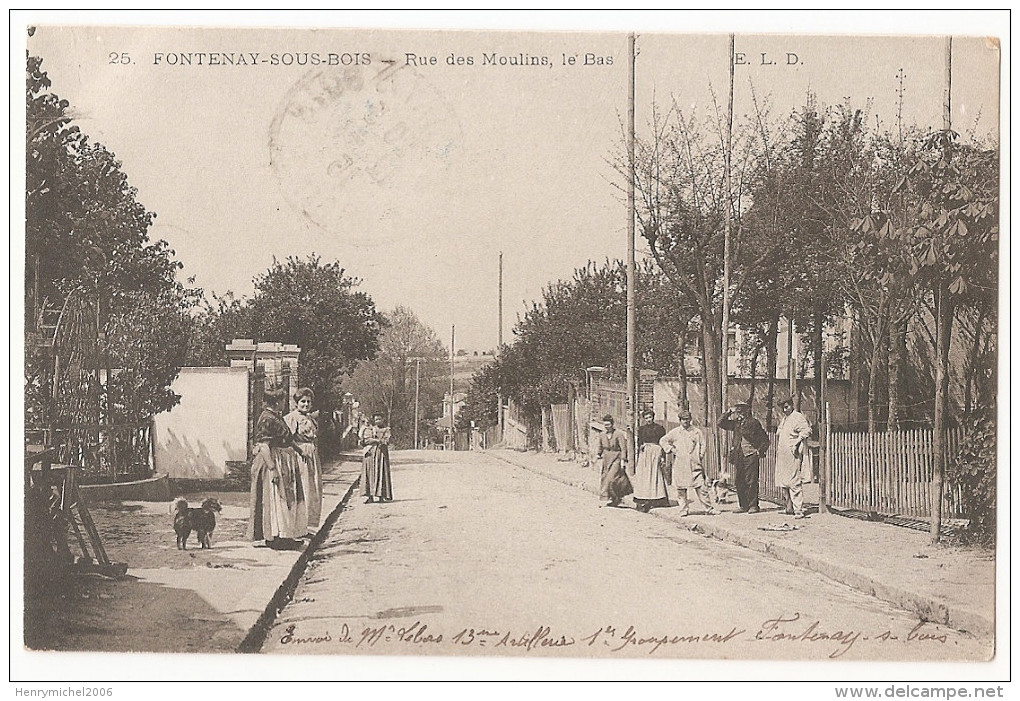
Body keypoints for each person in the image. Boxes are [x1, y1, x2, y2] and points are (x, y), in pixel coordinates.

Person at [248, 385, 308, 548]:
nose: (284, 403)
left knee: (285, 498)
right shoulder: (267, 418)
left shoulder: (275, 416)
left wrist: (299, 450)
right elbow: (264, 445)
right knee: (276, 499)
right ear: (276, 402)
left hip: (283, 460)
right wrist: (272, 469)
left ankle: (284, 534)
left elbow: (287, 438)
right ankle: (276, 537)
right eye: (282, 400)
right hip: (273, 461)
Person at [660, 407, 715, 516]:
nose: (686, 421)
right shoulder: (675, 432)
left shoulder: (696, 432)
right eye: (683, 419)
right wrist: (672, 449)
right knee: (681, 489)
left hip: (694, 463)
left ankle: (709, 508)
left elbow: (703, 444)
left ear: (690, 419)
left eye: (687, 419)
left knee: (701, 487)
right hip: (681, 463)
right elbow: (663, 440)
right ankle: (683, 509)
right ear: (679, 420)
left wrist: (700, 456)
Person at [718, 403, 770, 514]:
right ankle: (743, 505)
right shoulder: (736, 424)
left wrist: (759, 451)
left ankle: (753, 506)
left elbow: (765, 439)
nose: (738, 415)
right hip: (738, 455)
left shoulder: (754, 423)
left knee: (751, 481)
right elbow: (720, 423)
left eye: (740, 412)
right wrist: (729, 412)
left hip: (750, 455)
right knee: (739, 481)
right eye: (737, 412)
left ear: (746, 412)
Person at [286, 387, 323, 533]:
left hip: (312, 456)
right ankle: (299, 526)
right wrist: (300, 452)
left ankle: (307, 525)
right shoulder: (292, 418)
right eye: (303, 402)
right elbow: (288, 439)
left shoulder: (311, 419)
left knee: (313, 488)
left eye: (308, 402)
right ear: (297, 403)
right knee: (303, 488)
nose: (306, 405)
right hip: (300, 456)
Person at [775, 398, 813, 519]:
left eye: (786, 407)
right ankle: (789, 506)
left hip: (793, 453)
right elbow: (780, 432)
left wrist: (797, 443)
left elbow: (806, 431)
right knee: (783, 481)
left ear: (791, 405)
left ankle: (798, 510)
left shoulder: (798, 417)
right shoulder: (785, 418)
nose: (784, 410)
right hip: (783, 454)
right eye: (782, 408)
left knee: (794, 481)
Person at [632, 409, 669, 513]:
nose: (649, 419)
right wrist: (641, 446)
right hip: (645, 453)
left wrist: (662, 456)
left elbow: (663, 442)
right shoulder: (641, 429)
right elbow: (639, 442)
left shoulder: (659, 428)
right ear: (644, 419)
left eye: (650, 417)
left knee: (655, 474)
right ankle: (644, 498)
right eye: (646, 418)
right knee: (644, 475)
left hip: (656, 452)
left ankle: (657, 498)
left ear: (653, 417)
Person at [596, 415, 632, 508]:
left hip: (616, 458)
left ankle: (605, 498)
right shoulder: (602, 434)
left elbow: (623, 448)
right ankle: (615, 498)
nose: (607, 427)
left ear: (612, 424)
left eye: (608, 425)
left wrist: (623, 460)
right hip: (606, 459)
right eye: (605, 425)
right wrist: (598, 454)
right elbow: (600, 446)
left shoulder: (618, 434)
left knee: (610, 478)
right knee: (604, 477)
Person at [360, 412, 393, 503]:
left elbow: (386, 441)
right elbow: (364, 440)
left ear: (383, 419)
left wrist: (375, 440)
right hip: (370, 453)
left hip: (381, 453)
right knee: (369, 473)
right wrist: (374, 440)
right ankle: (369, 496)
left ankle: (381, 495)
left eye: (379, 419)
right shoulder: (370, 429)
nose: (378, 421)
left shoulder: (386, 430)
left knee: (381, 472)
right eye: (376, 419)